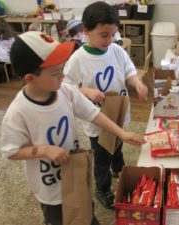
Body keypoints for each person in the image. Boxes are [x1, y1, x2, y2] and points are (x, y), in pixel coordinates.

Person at [0, 31, 146, 225]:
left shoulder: (66, 91)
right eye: (55, 72)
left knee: (85, 211)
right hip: (50, 187)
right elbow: (10, 151)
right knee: (59, 219)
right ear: (30, 78)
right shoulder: (18, 112)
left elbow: (93, 114)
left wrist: (121, 133)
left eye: (62, 69)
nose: (63, 76)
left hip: (74, 170)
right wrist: (43, 150)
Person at [63, 1, 148, 209]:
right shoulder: (77, 59)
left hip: (118, 112)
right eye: (104, 35)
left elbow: (129, 71)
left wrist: (137, 83)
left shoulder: (116, 51)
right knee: (101, 156)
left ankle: (118, 168)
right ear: (86, 31)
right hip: (97, 119)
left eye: (113, 35)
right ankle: (103, 188)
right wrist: (86, 91)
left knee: (118, 144)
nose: (109, 40)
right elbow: (66, 86)